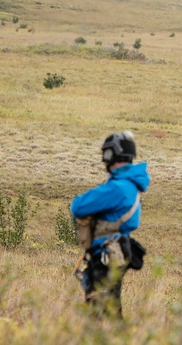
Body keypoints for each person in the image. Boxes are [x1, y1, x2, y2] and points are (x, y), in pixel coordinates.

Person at [71, 131, 150, 317]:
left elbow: (78, 206)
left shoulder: (117, 187)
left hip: (106, 255)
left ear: (114, 155)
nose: (104, 160)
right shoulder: (129, 185)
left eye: (106, 154)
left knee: (100, 310)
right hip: (116, 252)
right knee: (110, 307)